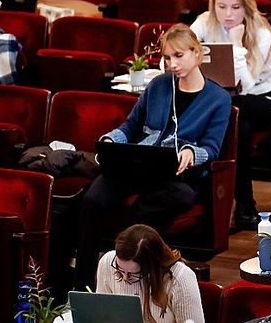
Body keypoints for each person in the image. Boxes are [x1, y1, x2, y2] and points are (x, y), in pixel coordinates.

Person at [76, 24, 231, 283]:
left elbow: (212, 148)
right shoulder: (158, 85)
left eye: (179, 56)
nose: (172, 64)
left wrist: (192, 154)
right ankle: (81, 283)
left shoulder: (218, 98)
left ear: (197, 54)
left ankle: (126, 271)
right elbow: (131, 127)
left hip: (175, 173)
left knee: (173, 197)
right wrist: (110, 140)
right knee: (92, 200)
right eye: (167, 57)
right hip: (138, 163)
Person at [192, 0, 271, 230]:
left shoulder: (262, 33)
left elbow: (247, 85)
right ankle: (240, 204)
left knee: (233, 113)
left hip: (260, 100)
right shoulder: (204, 22)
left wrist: (234, 45)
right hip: (223, 101)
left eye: (236, 7)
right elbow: (181, 48)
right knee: (236, 124)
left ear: (247, 6)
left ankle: (238, 203)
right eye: (221, 7)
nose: (228, 14)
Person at [95, 224, 206, 323]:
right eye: (120, 270)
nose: (125, 278)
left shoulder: (179, 277)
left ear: (152, 267)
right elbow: (104, 316)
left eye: (133, 274)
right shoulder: (107, 261)